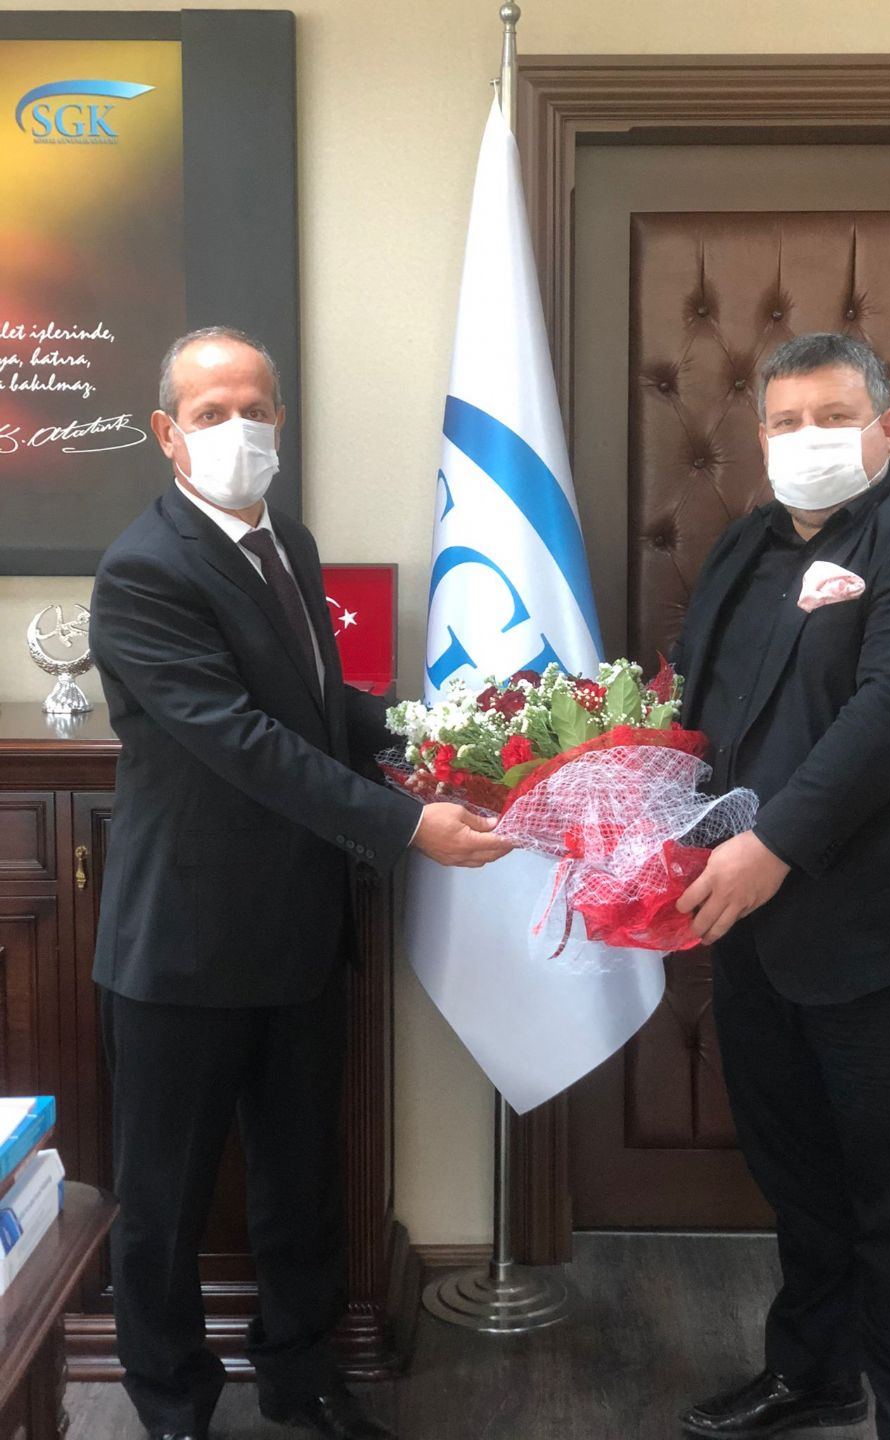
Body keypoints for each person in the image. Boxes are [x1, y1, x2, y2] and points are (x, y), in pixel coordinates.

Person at [89, 327, 511, 1440]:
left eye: (254, 408)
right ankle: (172, 1406)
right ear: (167, 433)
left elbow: (322, 710)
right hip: (184, 948)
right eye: (211, 412)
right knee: (165, 1205)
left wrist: (447, 746)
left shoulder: (291, 542)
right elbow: (244, 744)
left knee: (301, 1184)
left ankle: (301, 1375)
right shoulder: (143, 570)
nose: (238, 429)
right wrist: (409, 824)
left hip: (300, 933)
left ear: (282, 418)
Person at [672, 332, 890, 1440]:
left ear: (887, 427)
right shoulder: (746, 543)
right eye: (785, 421)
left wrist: (771, 845)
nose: (806, 439)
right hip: (757, 928)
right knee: (799, 1177)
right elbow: (702, 699)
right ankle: (815, 1373)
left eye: (833, 417)